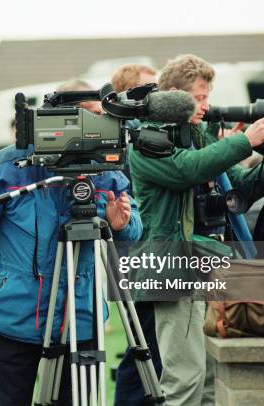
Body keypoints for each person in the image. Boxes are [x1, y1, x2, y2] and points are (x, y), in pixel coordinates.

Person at [128, 54, 264, 406]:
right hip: (173, 268)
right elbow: (187, 170)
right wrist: (246, 140)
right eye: (198, 98)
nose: (205, 106)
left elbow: (235, 189)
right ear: (173, 96)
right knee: (186, 379)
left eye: (207, 97)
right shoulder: (145, 140)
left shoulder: (199, 134)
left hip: (210, 261)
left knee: (213, 377)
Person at [0, 79, 143, 405]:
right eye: (95, 116)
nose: (104, 125)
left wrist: (120, 224)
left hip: (80, 314)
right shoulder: (9, 164)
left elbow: (132, 226)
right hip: (16, 312)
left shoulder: (105, 167)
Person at [110, 64, 164, 405]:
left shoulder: (148, 134)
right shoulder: (123, 139)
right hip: (133, 255)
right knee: (142, 349)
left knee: (151, 346)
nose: (157, 97)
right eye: (148, 90)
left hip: (152, 252)